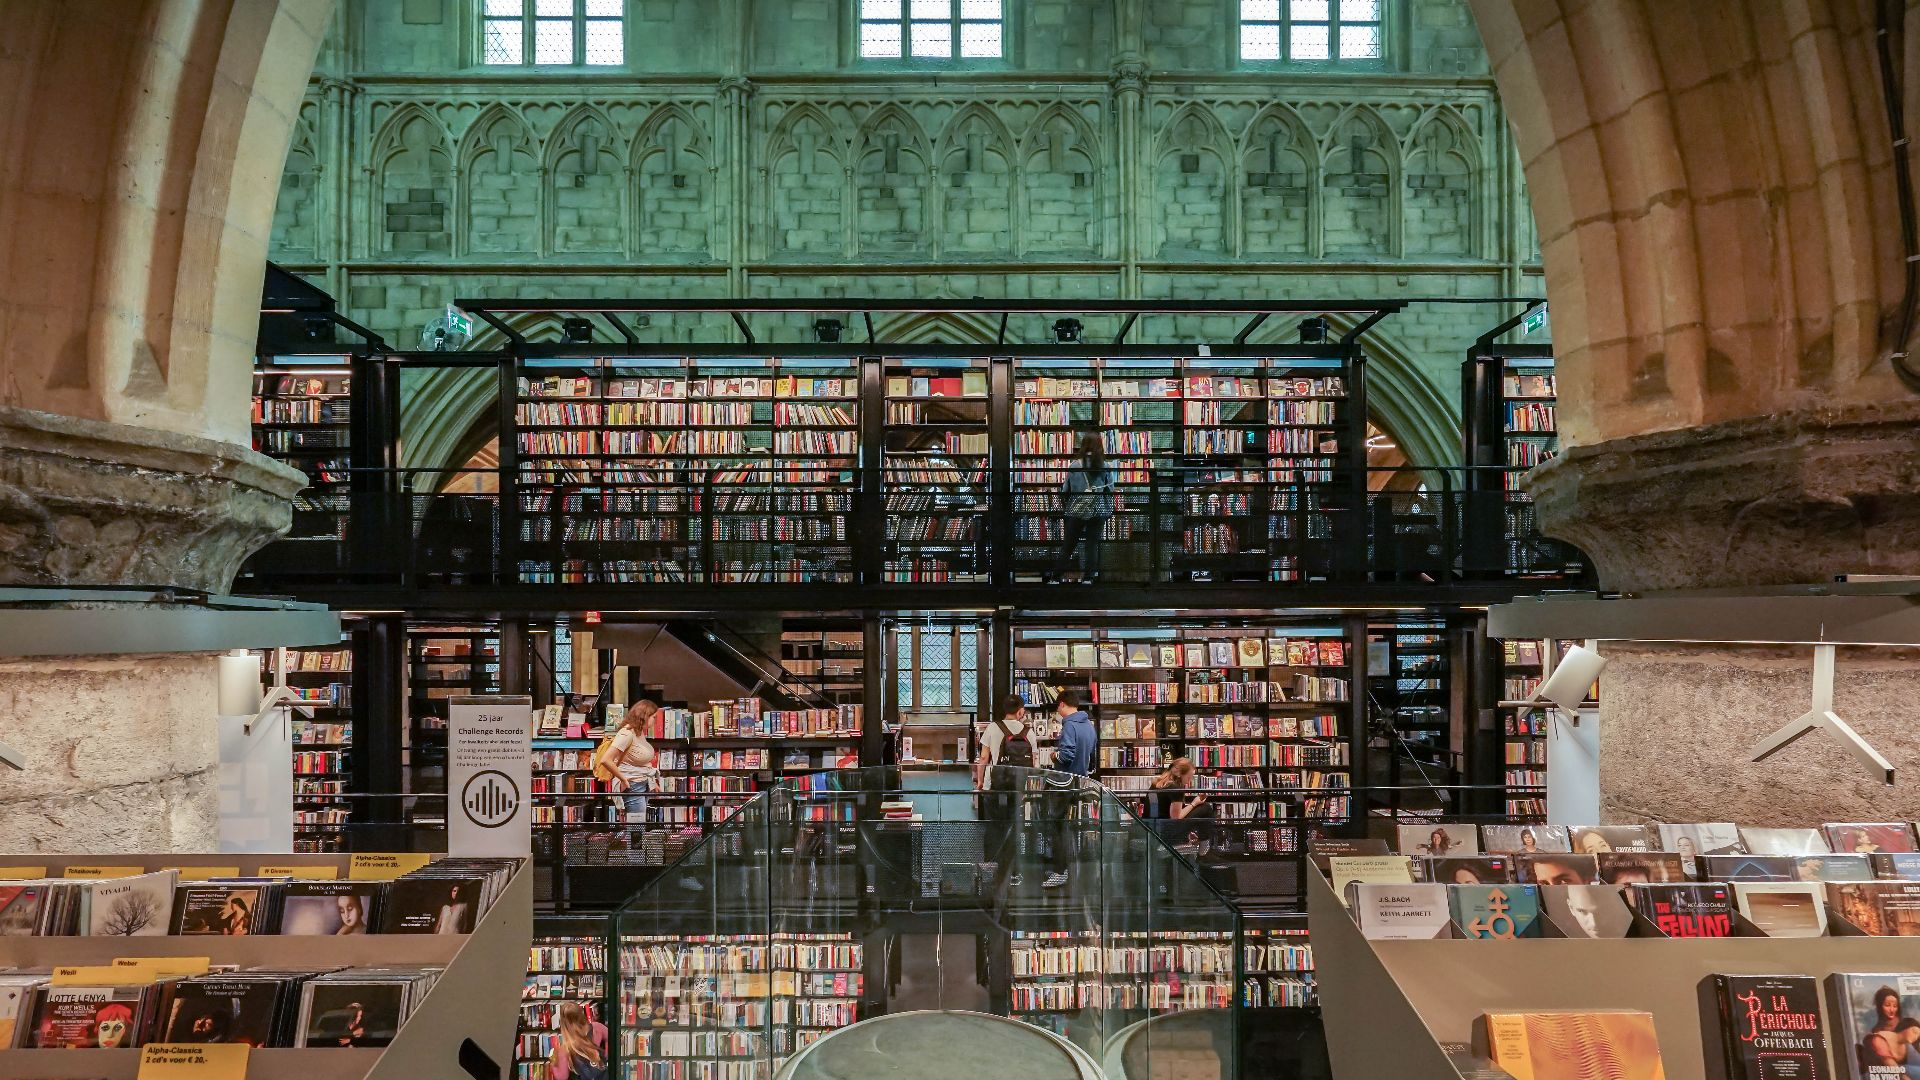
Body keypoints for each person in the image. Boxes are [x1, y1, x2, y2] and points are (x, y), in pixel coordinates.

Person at [975, 695, 1034, 887]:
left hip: (995, 785)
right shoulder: (1028, 732)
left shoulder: (993, 727)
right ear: (1019, 711)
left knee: (993, 826)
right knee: (1014, 827)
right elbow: (1034, 763)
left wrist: (980, 782)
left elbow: (983, 758)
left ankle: (991, 869)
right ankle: (1014, 871)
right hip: (1017, 788)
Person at [1042, 689, 1097, 889]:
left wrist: (1054, 756)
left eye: (1058, 707)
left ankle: (1059, 870)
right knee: (1073, 828)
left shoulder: (1069, 726)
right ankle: (1071, 868)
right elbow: (1092, 756)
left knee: (1055, 826)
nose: (1058, 711)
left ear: (1063, 704)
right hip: (1080, 782)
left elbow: (1066, 756)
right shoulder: (1089, 726)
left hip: (1063, 783)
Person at [1047, 433, 1115, 584]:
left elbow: (1065, 490)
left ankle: (1056, 577)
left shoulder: (1074, 465)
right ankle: (1088, 579)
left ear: (1083, 445)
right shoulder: (1106, 466)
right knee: (1092, 544)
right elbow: (1110, 490)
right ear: (1099, 445)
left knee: (1069, 545)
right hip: (1098, 511)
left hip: (1076, 510)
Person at [607, 700, 662, 827]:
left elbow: (642, 763)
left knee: (638, 825)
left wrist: (652, 782)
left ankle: (636, 847)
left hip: (641, 782)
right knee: (636, 828)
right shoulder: (627, 733)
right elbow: (606, 759)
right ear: (645, 716)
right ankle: (634, 847)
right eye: (653, 717)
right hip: (632, 784)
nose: (655, 721)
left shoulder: (639, 732)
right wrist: (623, 779)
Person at [1146, 758, 1214, 852]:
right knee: (1205, 808)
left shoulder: (1157, 783)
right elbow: (1176, 817)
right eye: (1188, 777)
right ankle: (1204, 853)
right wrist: (1194, 803)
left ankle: (1200, 844)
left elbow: (1162, 811)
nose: (1189, 781)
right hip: (1166, 833)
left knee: (1195, 809)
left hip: (1152, 829)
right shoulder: (1175, 788)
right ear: (1179, 774)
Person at [548, 1001, 609, 1080]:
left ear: (563, 1022)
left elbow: (562, 1077)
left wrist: (553, 1061)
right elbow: (615, 1039)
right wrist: (606, 1055)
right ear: (581, 1013)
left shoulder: (565, 1049)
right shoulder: (597, 1028)